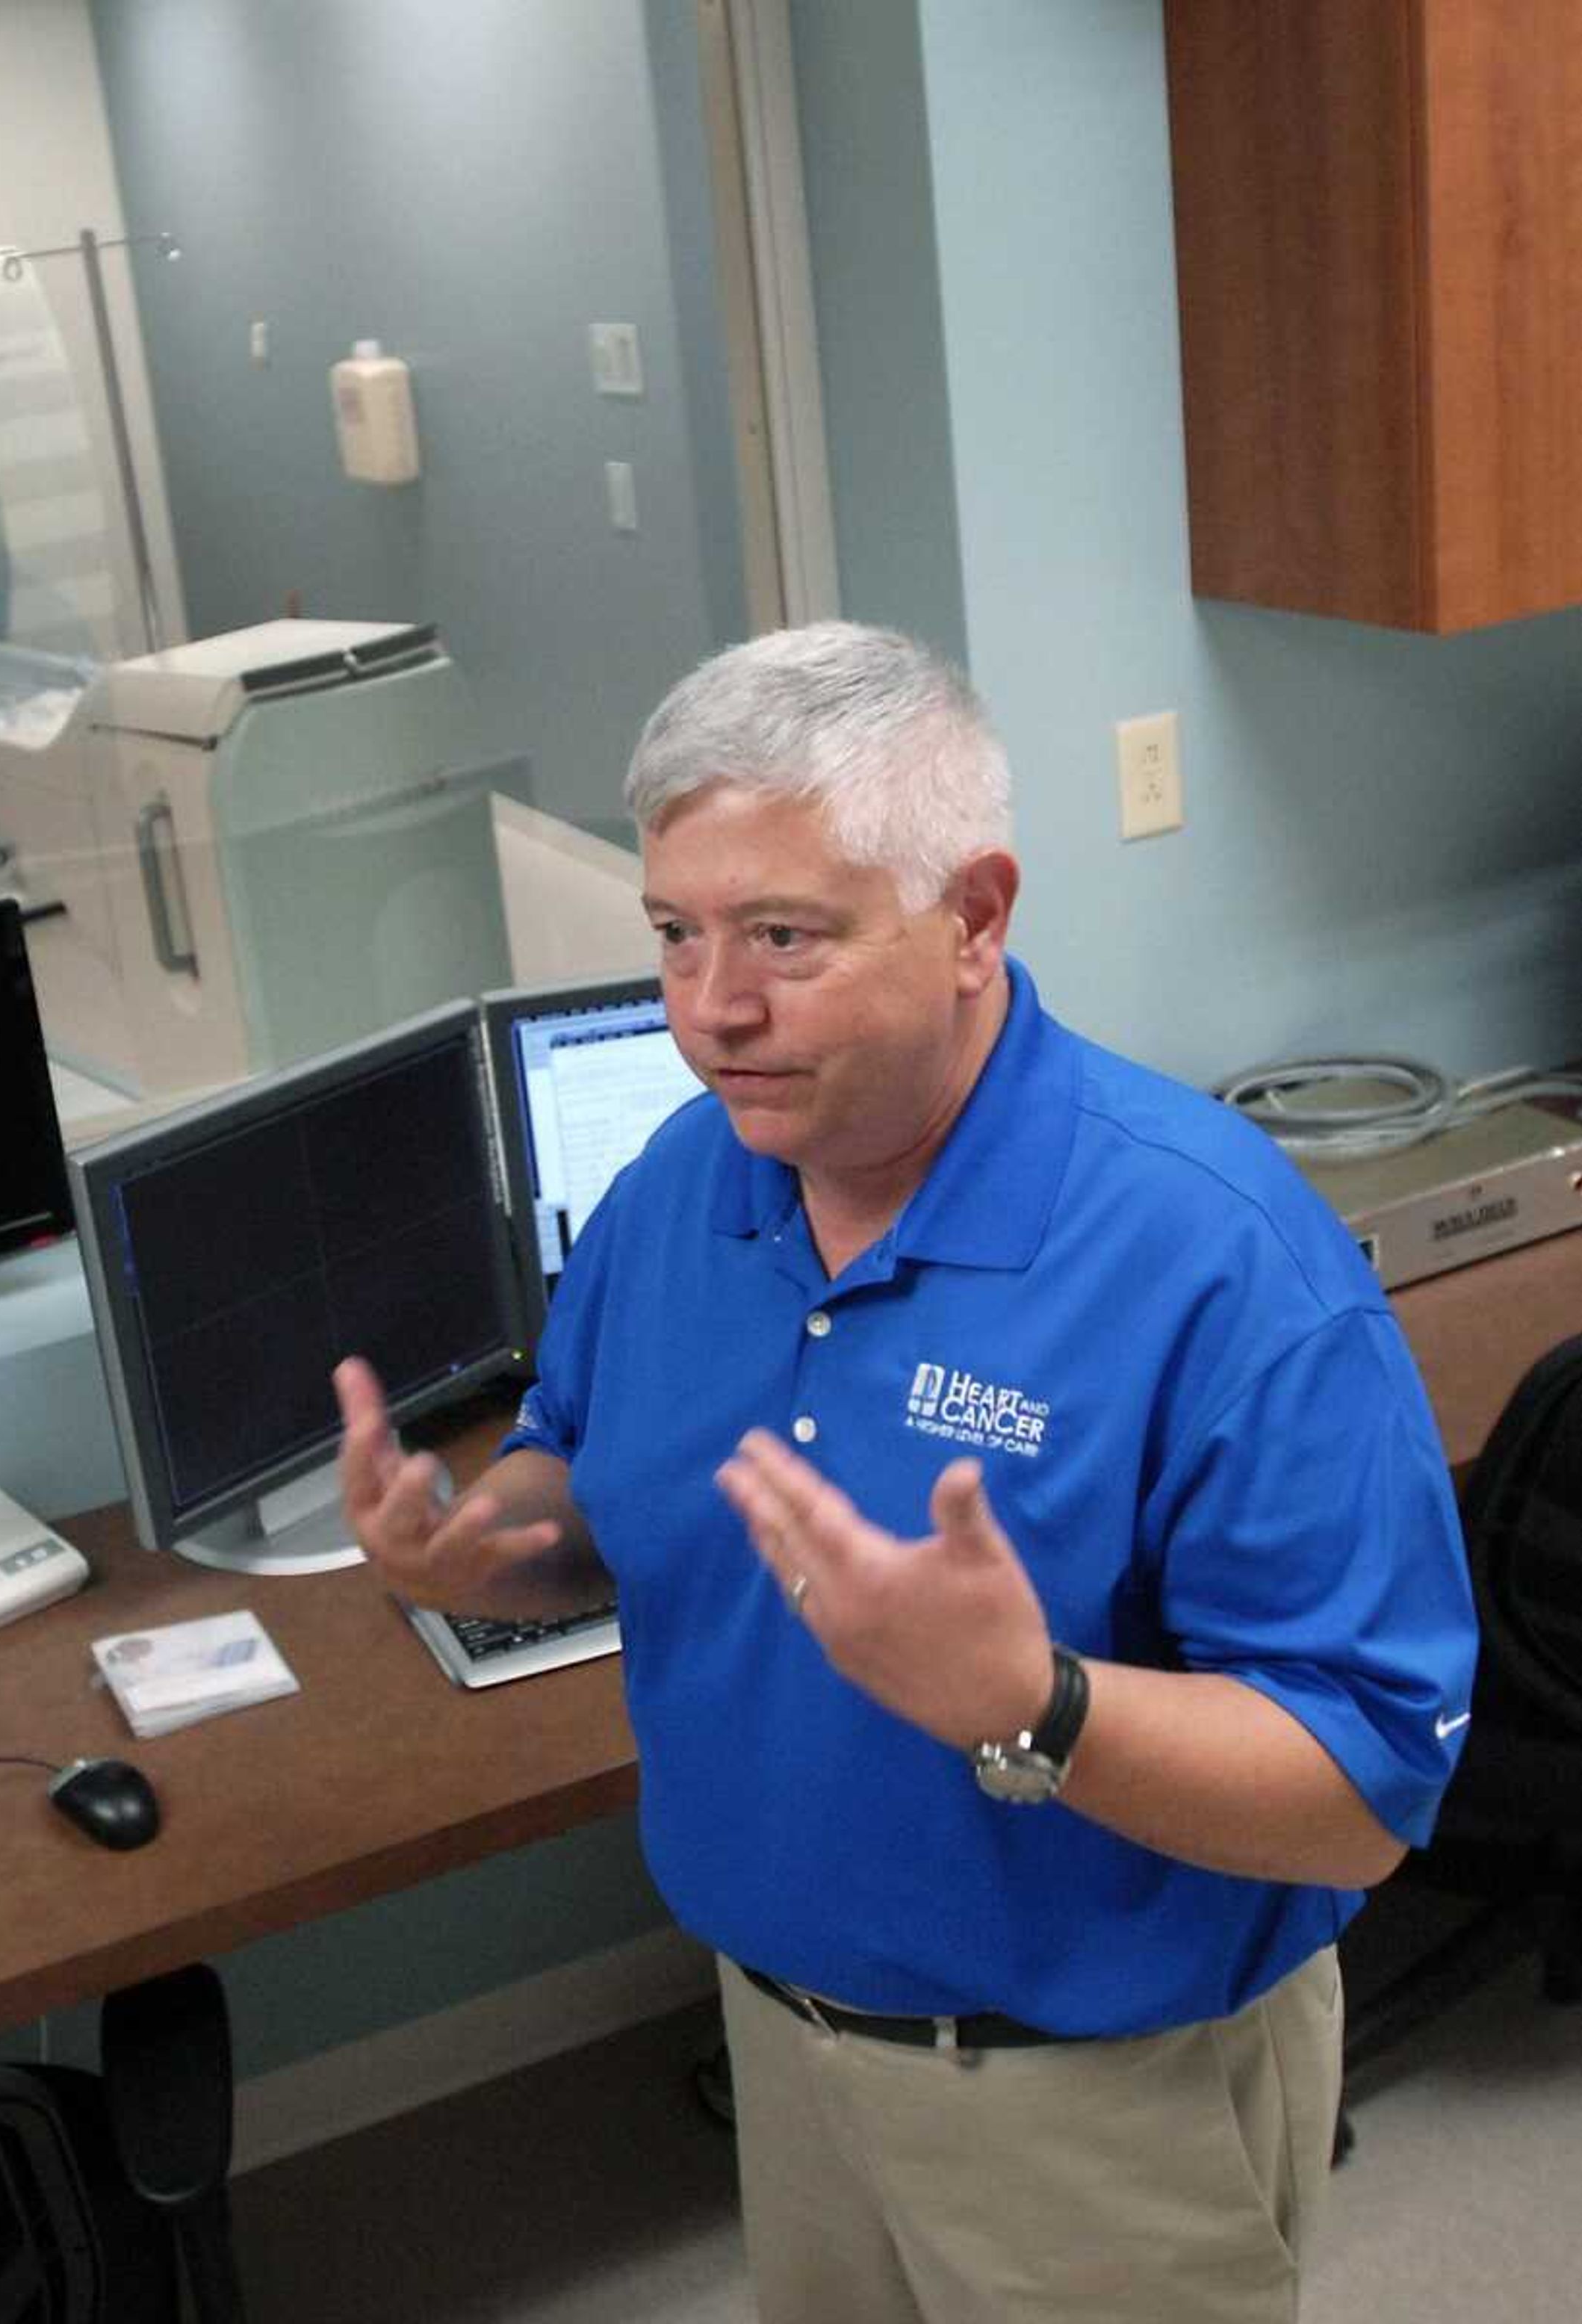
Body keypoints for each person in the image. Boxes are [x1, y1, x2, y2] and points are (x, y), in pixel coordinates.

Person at [332, 622, 1477, 2324]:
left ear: (978, 915)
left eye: (786, 935)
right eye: (675, 934)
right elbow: (593, 1470)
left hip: (1100, 2095)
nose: (712, 1008)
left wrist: (1033, 1700)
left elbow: (1366, 1787)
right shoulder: (683, 1184)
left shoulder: (1218, 1259)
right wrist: (485, 1548)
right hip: (780, 2040)